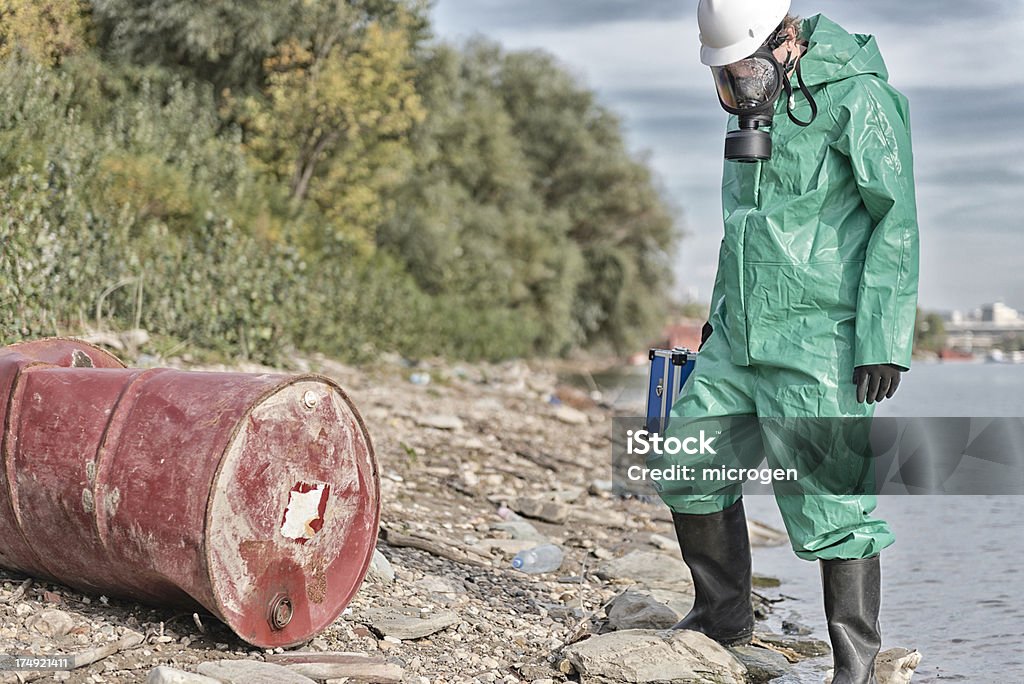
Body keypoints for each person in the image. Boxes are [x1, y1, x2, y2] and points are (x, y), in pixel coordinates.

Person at [658, 2, 920, 683]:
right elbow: (740, 227)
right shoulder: (754, 115)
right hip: (738, 337)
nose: (736, 87)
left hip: (818, 338)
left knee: (833, 502)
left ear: (789, 42)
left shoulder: (862, 98)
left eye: (744, 69)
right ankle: (722, 619)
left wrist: (882, 339)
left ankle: (855, 663)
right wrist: (719, 314)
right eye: (725, 75)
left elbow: (895, 222)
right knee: (687, 463)